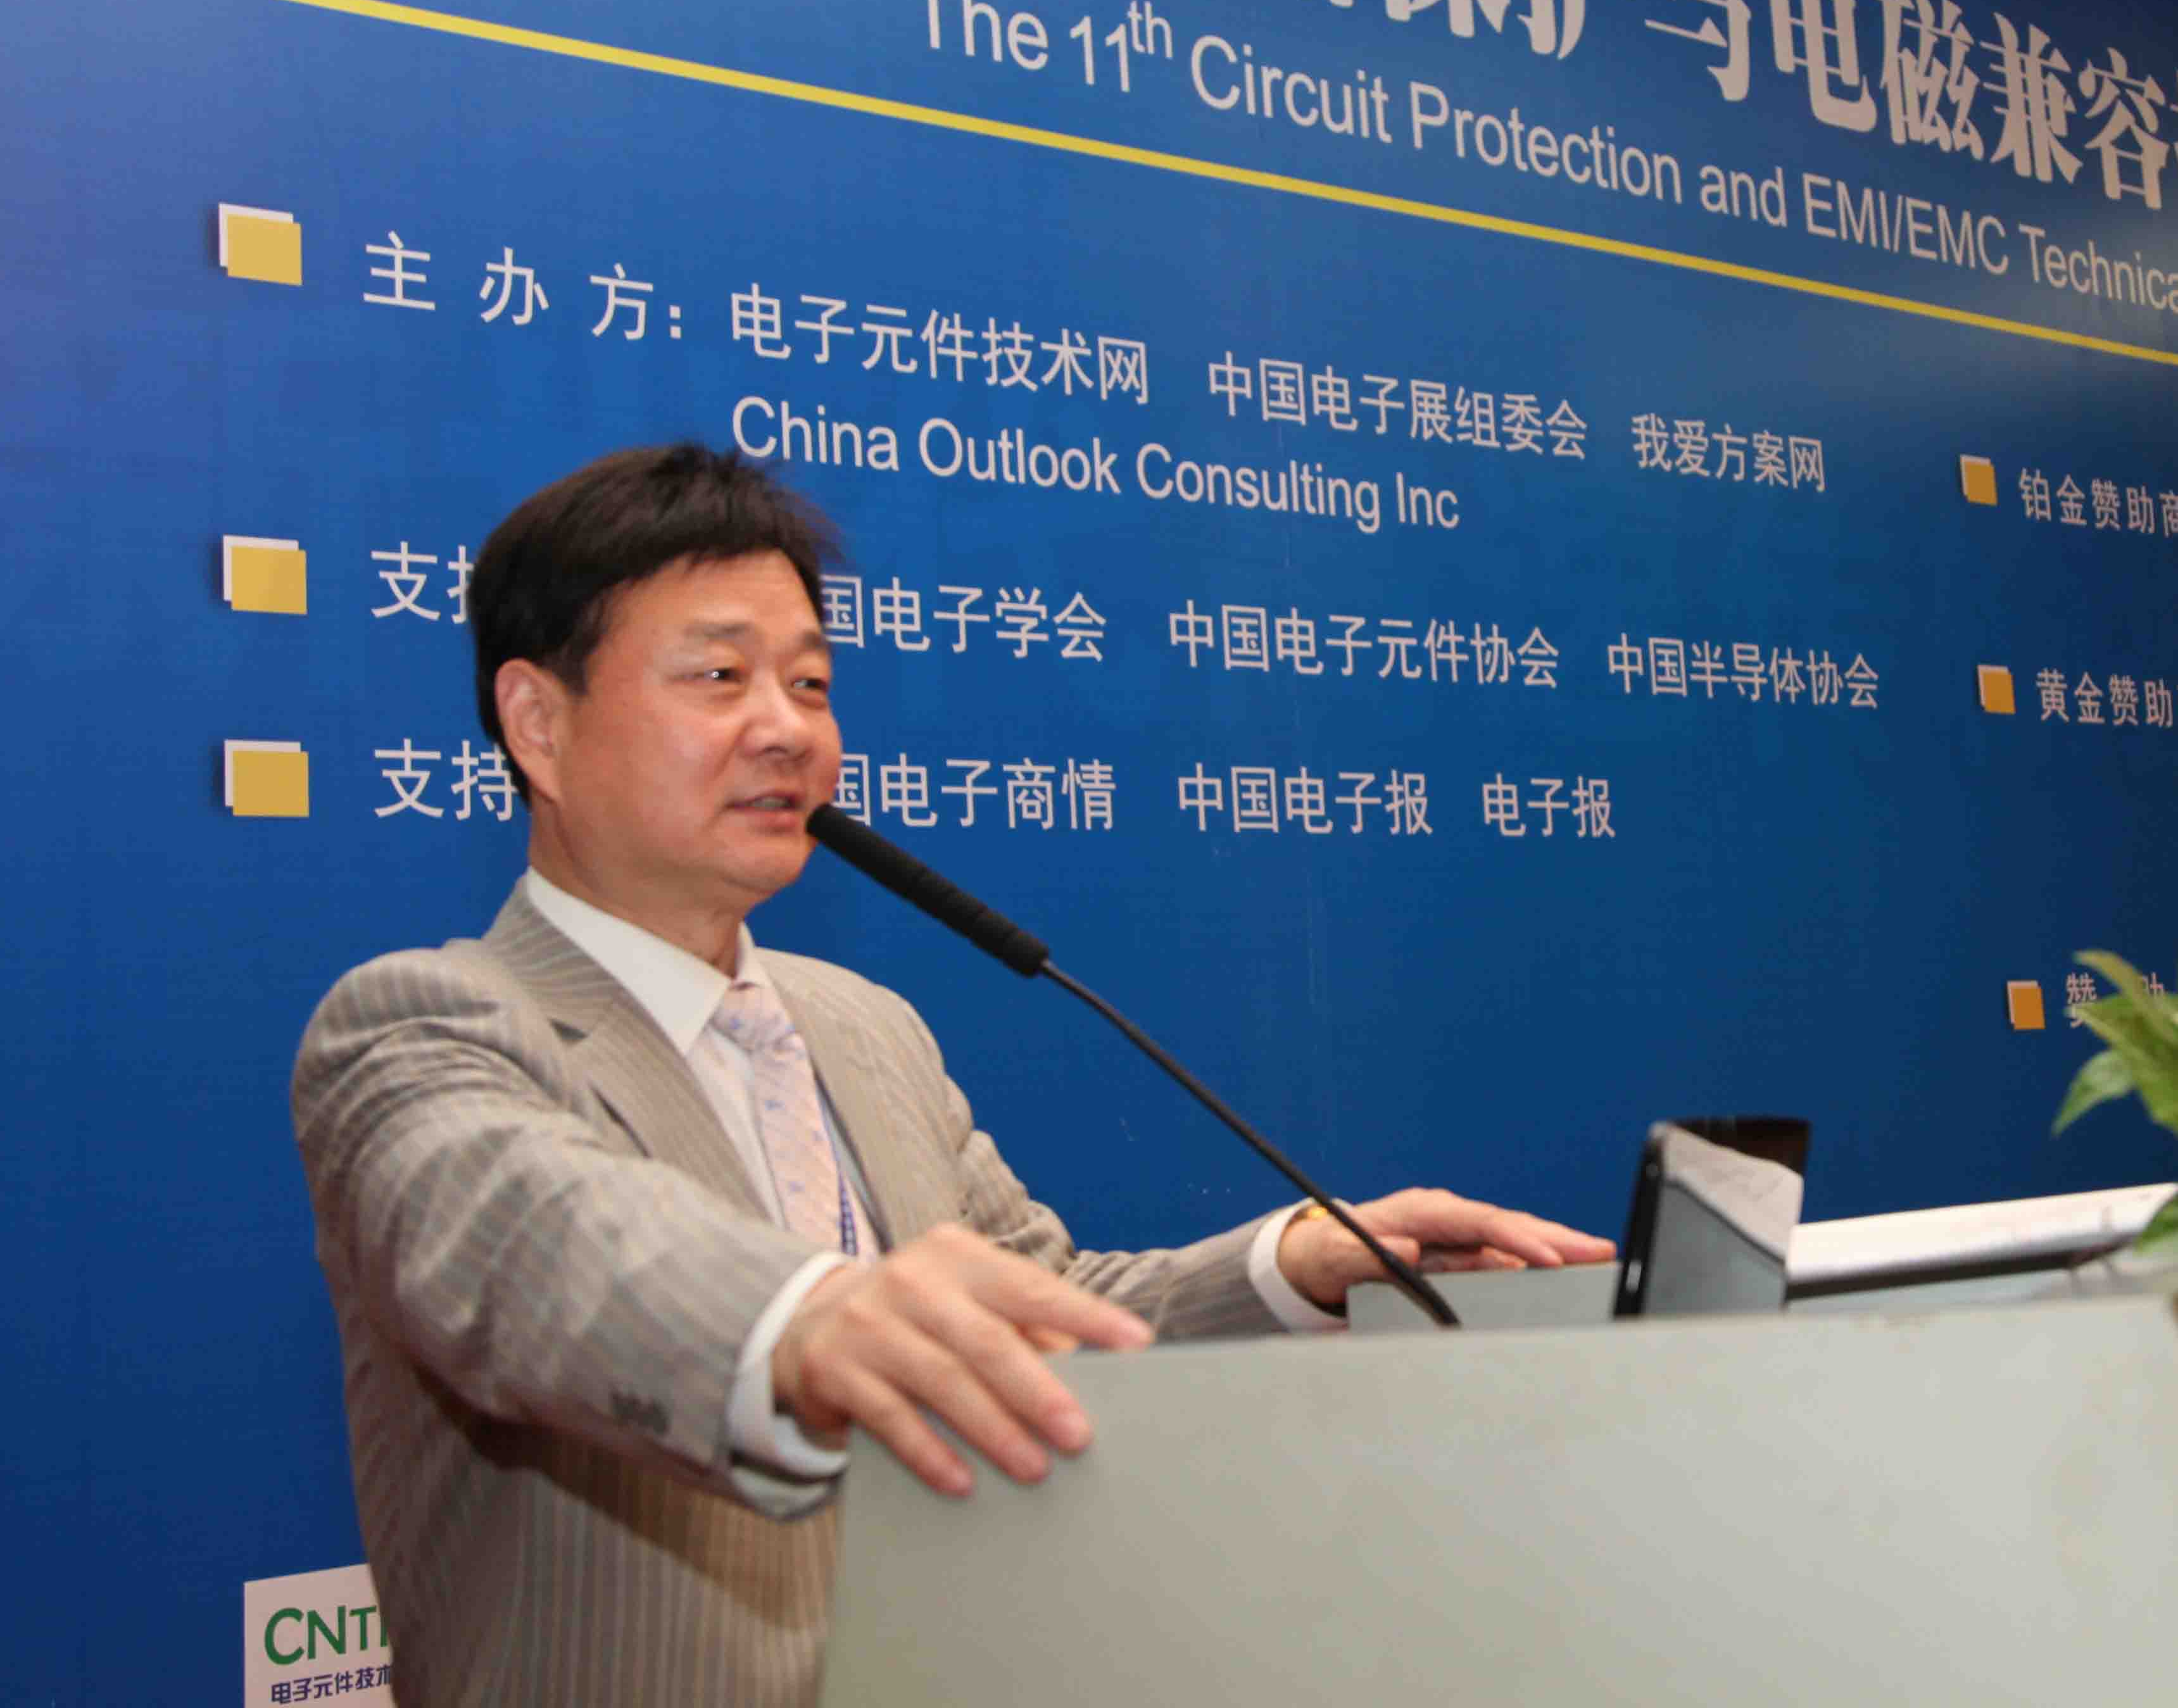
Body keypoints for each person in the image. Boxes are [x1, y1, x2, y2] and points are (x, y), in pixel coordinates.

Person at [292, 444, 1608, 1705]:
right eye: (720, 676)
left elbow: (1038, 1311)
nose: (787, 731)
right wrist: (805, 1321)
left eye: (811, 684)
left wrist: (1291, 1265)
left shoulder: (861, 1025)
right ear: (537, 722)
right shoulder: (422, 1027)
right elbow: (544, 1243)